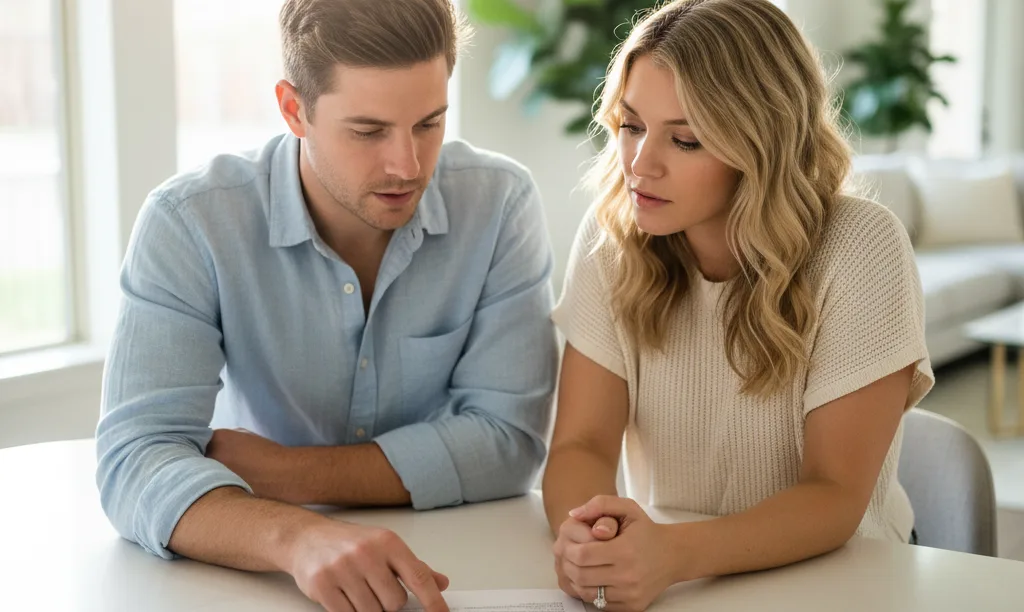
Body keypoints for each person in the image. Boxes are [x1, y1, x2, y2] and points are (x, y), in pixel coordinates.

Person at [95, 1, 557, 610]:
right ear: (294, 109)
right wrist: (297, 536)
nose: (407, 166)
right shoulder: (192, 223)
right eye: (368, 131)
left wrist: (291, 474)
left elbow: (510, 442)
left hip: (466, 564)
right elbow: (135, 458)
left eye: (430, 122)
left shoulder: (499, 203)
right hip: (251, 577)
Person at [542, 0, 934, 610]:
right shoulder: (612, 235)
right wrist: (592, 539)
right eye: (631, 124)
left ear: (763, 144)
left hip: (842, 581)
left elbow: (833, 493)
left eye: (687, 139)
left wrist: (672, 554)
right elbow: (581, 446)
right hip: (683, 581)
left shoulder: (861, 247)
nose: (641, 165)